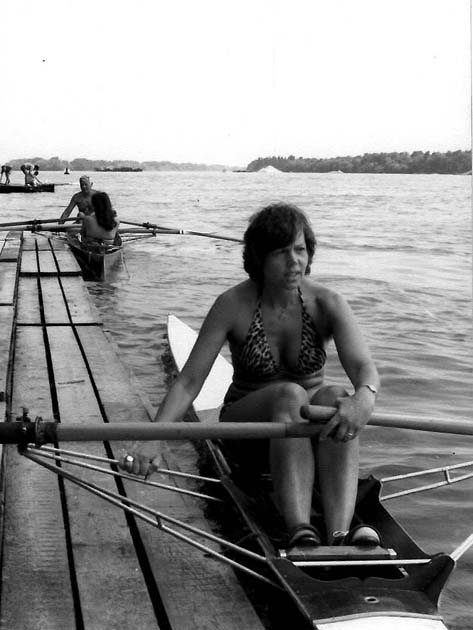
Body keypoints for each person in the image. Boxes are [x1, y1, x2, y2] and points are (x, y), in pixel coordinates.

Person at [120, 203, 381, 549]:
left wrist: (365, 396)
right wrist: (154, 439)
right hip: (248, 434)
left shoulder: (328, 303)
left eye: (300, 250)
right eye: (281, 253)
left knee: (336, 396)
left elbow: (364, 369)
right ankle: (300, 530)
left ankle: (339, 534)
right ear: (259, 257)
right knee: (289, 394)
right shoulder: (232, 305)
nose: (294, 262)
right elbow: (189, 383)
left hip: (308, 432)